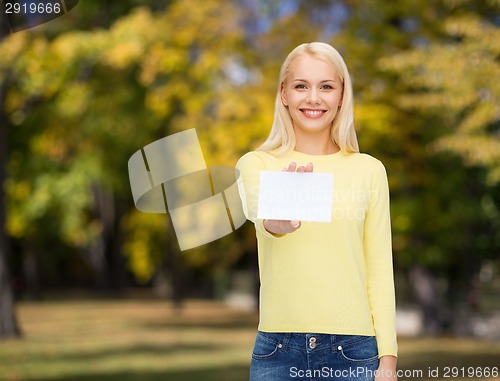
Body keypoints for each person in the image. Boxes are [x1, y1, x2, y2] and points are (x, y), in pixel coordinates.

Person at [236, 42, 398, 381]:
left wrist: (388, 363)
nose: (313, 98)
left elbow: (380, 271)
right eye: (301, 86)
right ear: (283, 94)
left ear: (341, 96)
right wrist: (278, 220)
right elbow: (262, 215)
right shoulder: (256, 164)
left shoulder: (369, 170)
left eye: (326, 86)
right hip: (277, 352)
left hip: (354, 353)